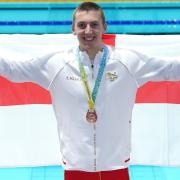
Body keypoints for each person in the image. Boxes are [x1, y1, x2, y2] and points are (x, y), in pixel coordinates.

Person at [0, 1, 180, 180]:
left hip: (116, 166)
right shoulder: (57, 64)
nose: (88, 31)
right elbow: (13, 71)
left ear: (104, 27)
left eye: (94, 24)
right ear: (73, 29)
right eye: (82, 25)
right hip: (75, 167)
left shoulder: (128, 61)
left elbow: (170, 70)